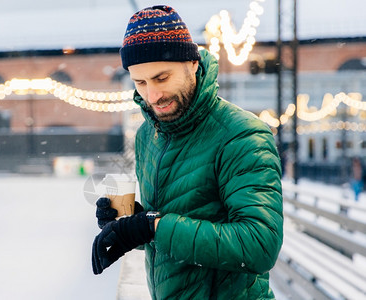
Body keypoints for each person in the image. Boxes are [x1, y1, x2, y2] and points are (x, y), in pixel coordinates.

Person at [92, 5, 283, 299]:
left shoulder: (241, 134)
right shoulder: (149, 134)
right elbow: (172, 229)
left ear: (192, 64)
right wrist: (132, 224)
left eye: (161, 78)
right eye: (140, 83)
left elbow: (259, 246)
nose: (152, 96)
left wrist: (153, 227)